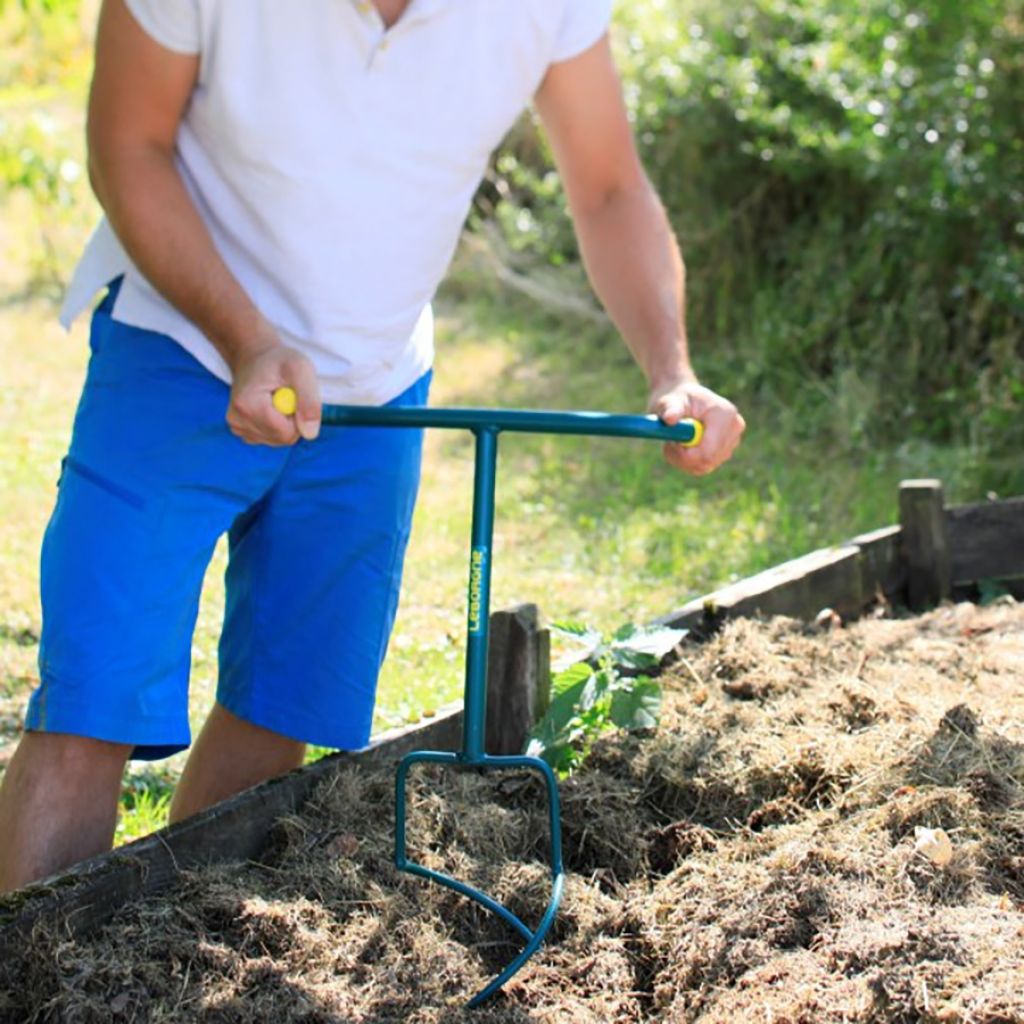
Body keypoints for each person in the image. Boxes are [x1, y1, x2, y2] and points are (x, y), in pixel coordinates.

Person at [0, 0, 745, 892]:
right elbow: (128, 146)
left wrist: (672, 368)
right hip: (178, 344)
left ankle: (163, 960)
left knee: (279, 705)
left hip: (377, 381)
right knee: (92, 701)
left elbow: (610, 186)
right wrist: (245, 338)